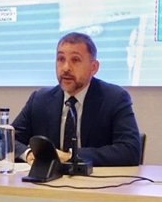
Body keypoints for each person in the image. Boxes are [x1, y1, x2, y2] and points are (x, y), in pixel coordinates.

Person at [12, 32, 141, 166]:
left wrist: (72, 156)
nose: (66, 68)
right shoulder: (40, 99)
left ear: (93, 68)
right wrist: (28, 154)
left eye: (75, 60)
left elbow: (130, 150)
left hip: (95, 183)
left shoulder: (114, 98)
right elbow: (7, 139)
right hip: (49, 183)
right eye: (61, 59)